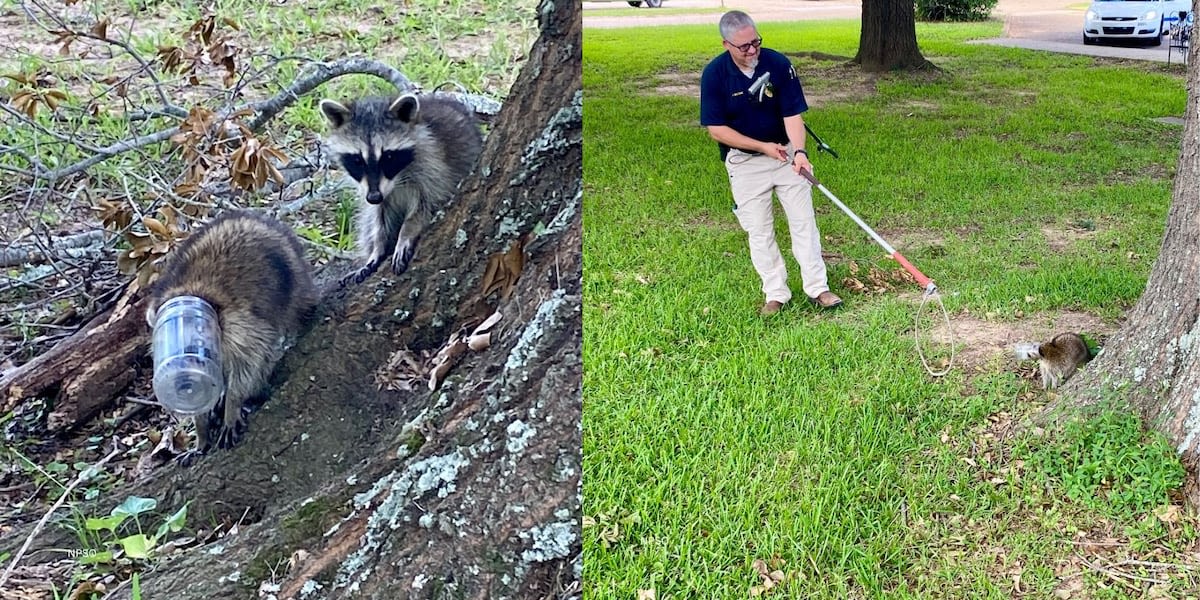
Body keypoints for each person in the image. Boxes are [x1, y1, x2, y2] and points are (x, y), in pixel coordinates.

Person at [699, 10, 842, 316]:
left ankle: (818, 288)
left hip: (787, 155)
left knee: (804, 223)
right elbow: (716, 130)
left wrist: (800, 153)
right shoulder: (714, 75)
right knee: (760, 231)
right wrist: (762, 147)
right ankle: (776, 293)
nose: (752, 50)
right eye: (744, 46)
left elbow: (793, 115)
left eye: (756, 42)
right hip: (745, 162)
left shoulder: (778, 64)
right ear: (726, 44)